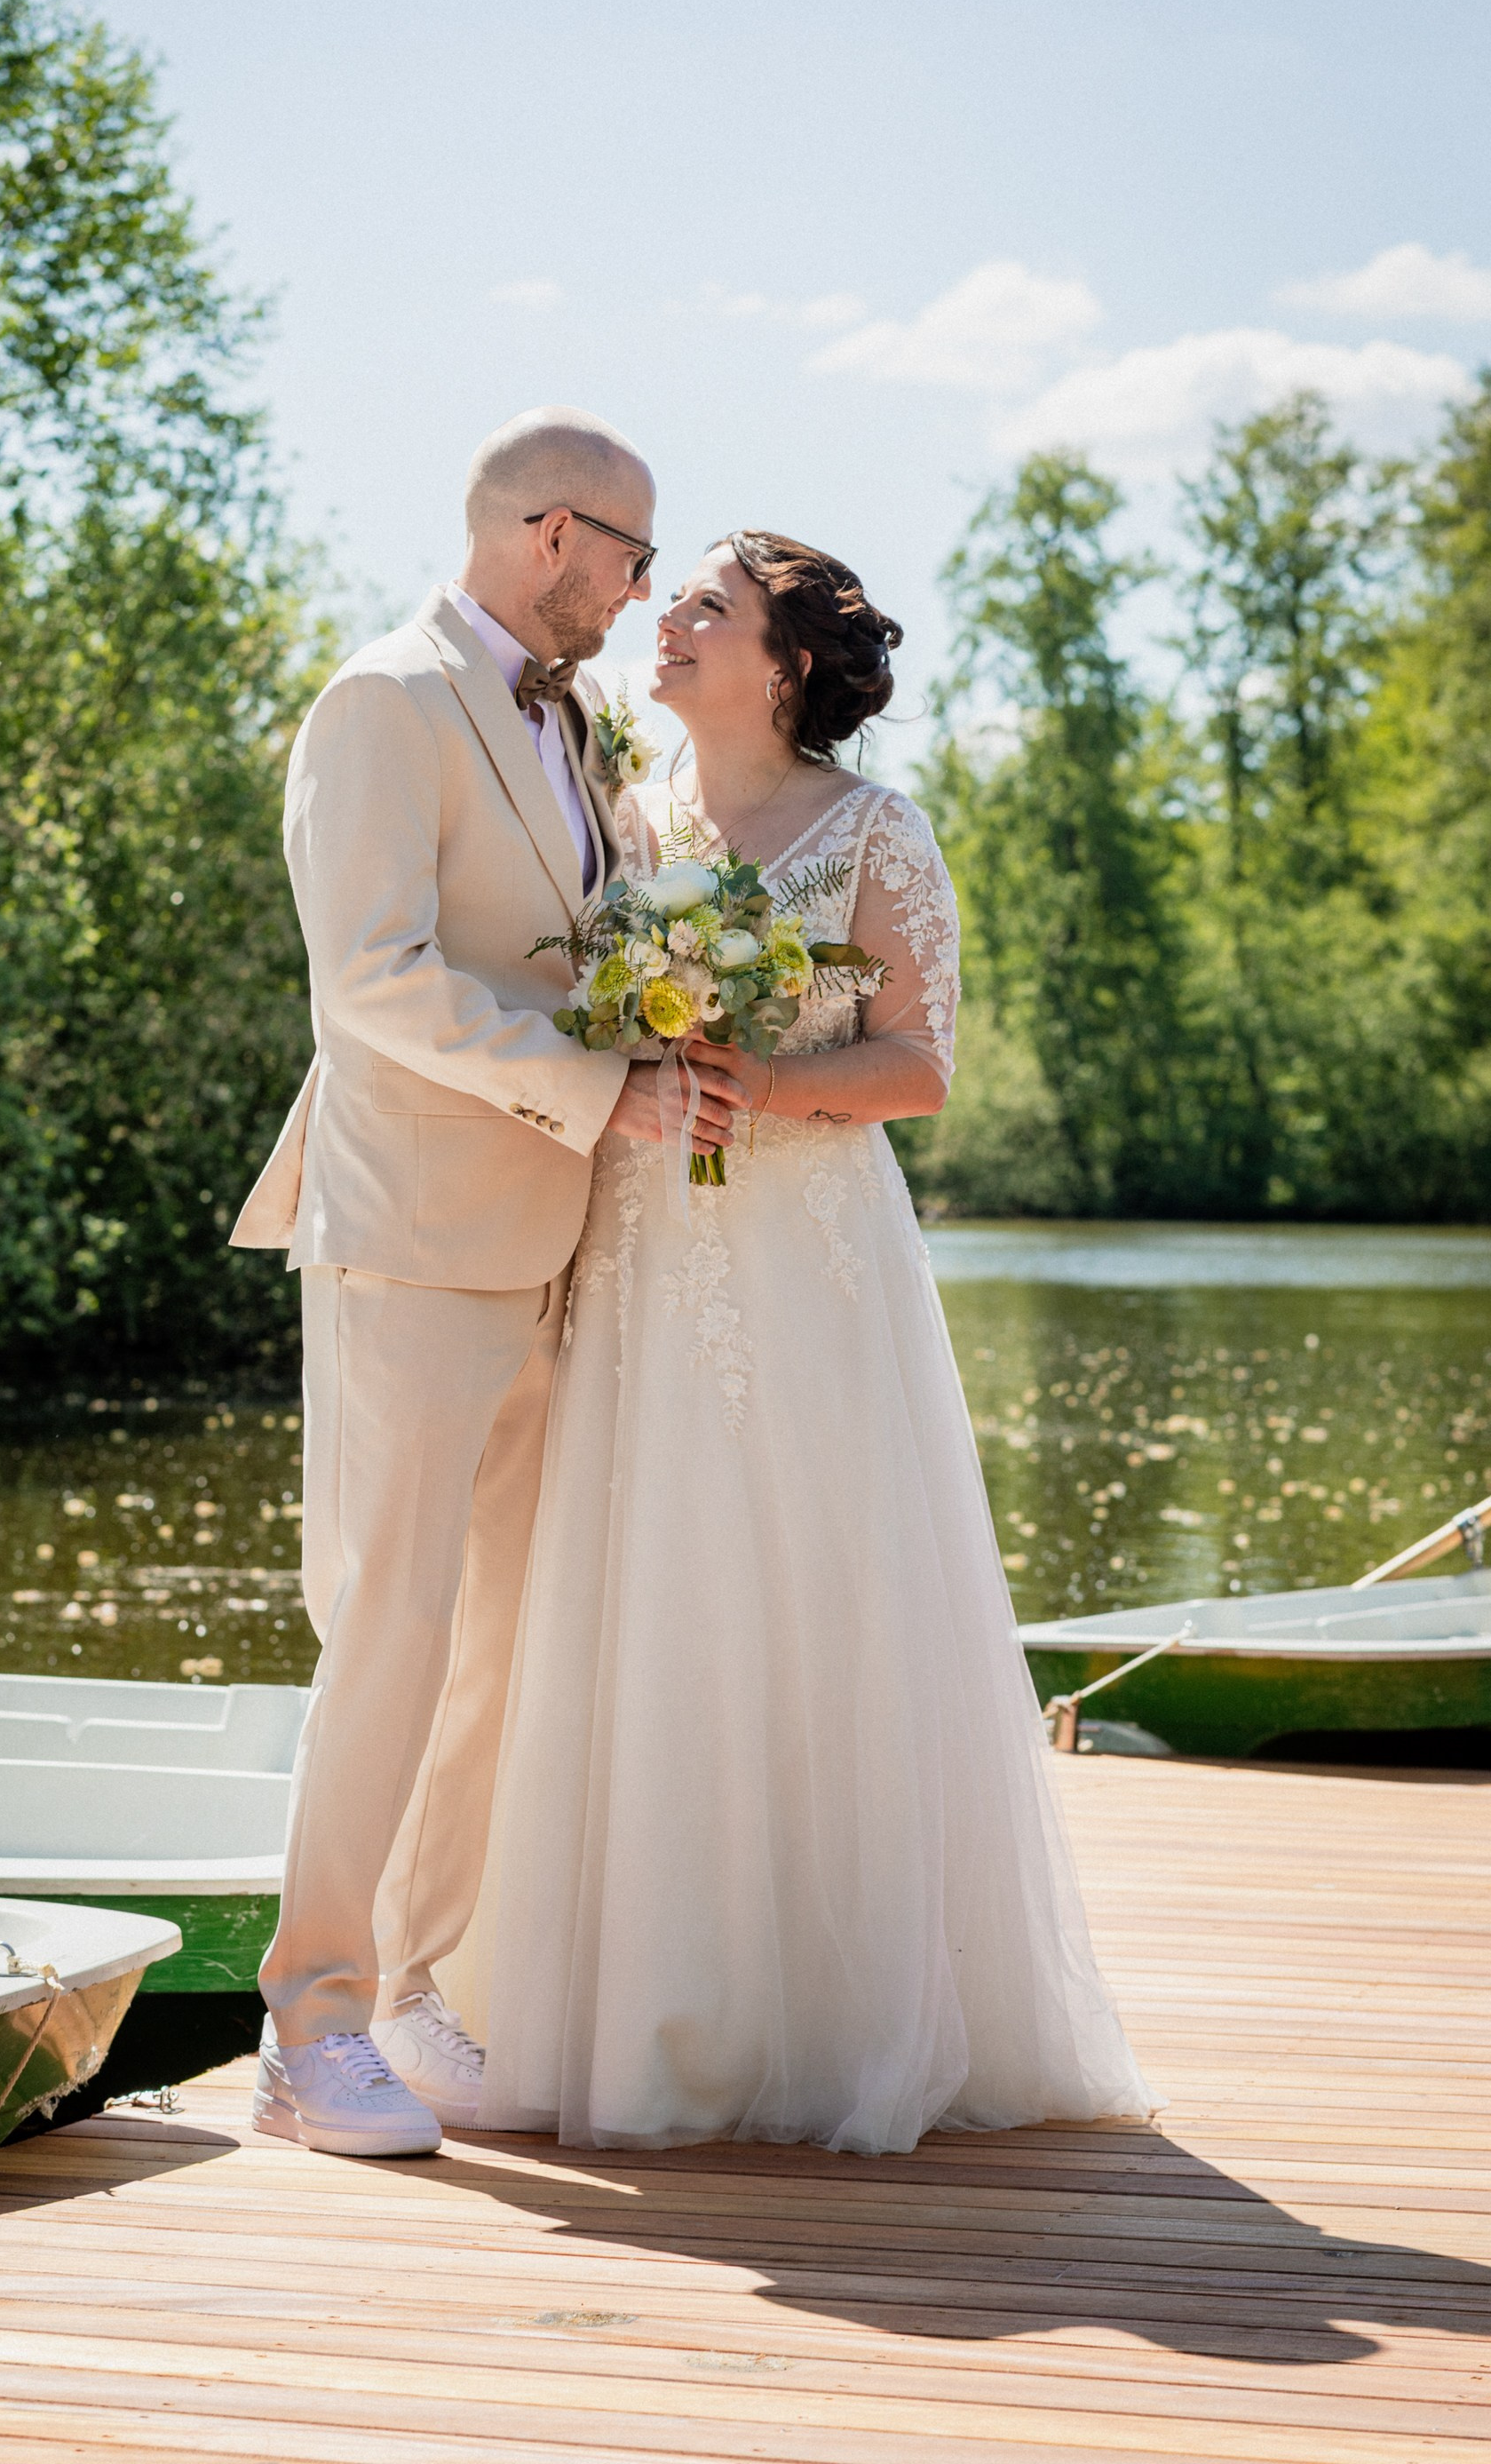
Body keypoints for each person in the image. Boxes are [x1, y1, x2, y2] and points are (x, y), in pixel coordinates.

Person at [454, 530, 1151, 2152]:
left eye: (706, 605)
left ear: (783, 666)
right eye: (674, 597)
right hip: (640, 1250)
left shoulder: (875, 833)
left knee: (815, 1591)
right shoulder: (631, 819)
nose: (668, 622)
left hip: (809, 1262)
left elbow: (919, 1065)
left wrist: (762, 1079)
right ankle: (628, 2009)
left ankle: (828, 2021)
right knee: (642, 1584)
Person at [227, 409, 745, 2157]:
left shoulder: (578, 730)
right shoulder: (380, 705)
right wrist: (603, 1085)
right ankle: (310, 2027)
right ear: (550, 534)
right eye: (632, 555)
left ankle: (419, 1989)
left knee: (497, 1647)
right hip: (415, 1240)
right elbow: (369, 981)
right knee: (395, 1628)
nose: (640, 590)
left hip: (555, 1248)